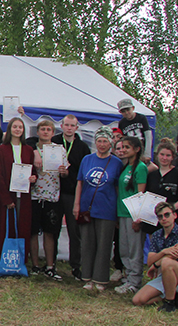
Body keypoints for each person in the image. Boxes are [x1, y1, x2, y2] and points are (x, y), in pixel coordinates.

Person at [73, 125, 121, 291]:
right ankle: (87, 277)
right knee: (87, 243)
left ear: (110, 143)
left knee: (104, 244)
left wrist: (118, 210)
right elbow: (80, 183)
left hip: (107, 208)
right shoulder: (87, 159)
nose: (102, 144)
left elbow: (117, 187)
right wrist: (76, 204)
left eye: (105, 141)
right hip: (87, 207)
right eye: (99, 141)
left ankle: (100, 279)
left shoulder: (116, 163)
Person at [131, 202, 178, 312]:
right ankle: (174, 296)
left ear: (174, 215)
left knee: (167, 262)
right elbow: (149, 261)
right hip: (165, 275)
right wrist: (163, 252)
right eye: (160, 216)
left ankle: (169, 303)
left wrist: (156, 264)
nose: (164, 218)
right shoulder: (157, 235)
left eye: (167, 215)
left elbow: (176, 253)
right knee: (138, 300)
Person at [0, 117, 39, 264]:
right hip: (8, 196)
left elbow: (33, 171)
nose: (17, 129)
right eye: (15, 127)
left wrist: (33, 178)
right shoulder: (2, 149)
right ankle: (5, 260)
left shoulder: (28, 150)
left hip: (24, 196)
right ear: (10, 129)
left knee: (23, 228)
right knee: (7, 228)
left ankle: (21, 261)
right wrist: (6, 199)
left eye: (20, 127)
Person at [55, 115, 91, 281]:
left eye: (72, 126)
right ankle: (51, 264)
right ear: (62, 126)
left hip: (72, 194)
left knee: (74, 232)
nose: (69, 128)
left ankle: (76, 266)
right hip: (54, 192)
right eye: (67, 125)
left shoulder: (82, 147)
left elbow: (85, 173)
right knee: (52, 230)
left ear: (77, 128)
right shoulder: (54, 142)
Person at [27, 118, 62, 280]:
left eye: (48, 129)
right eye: (43, 129)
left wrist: (64, 172)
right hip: (34, 196)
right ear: (38, 132)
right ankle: (35, 265)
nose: (45, 132)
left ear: (53, 133)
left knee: (49, 233)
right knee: (33, 232)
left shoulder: (59, 150)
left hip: (52, 196)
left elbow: (65, 172)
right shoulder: (30, 149)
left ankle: (50, 266)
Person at [114, 136, 148, 295]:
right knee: (124, 248)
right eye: (122, 147)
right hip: (122, 212)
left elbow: (140, 194)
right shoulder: (125, 166)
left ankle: (135, 281)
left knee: (134, 249)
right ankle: (128, 278)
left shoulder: (140, 167)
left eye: (127, 147)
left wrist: (137, 218)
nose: (124, 150)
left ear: (137, 149)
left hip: (133, 214)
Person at [144, 142, 178, 235]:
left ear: (173, 157)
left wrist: (172, 208)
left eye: (168, 155)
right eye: (162, 154)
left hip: (173, 219)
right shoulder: (152, 175)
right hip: (155, 219)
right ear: (157, 155)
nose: (164, 158)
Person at [116, 98, 152, 162]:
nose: (126, 113)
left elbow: (148, 136)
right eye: (123, 111)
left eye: (128, 110)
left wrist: (147, 154)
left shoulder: (141, 118)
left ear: (133, 108)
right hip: (129, 151)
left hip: (141, 148)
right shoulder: (122, 123)